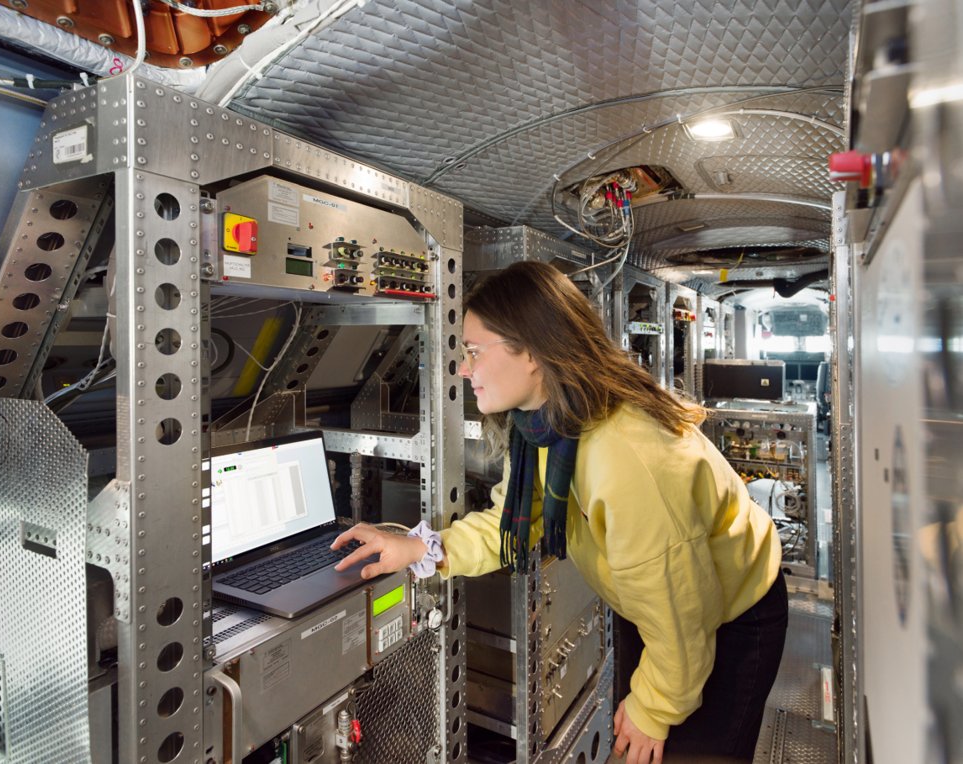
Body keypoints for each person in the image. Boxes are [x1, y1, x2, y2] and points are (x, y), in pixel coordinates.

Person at [332, 260, 788, 764]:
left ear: (531, 352)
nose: (463, 368)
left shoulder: (626, 458)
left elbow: (681, 607)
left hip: (732, 613)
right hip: (662, 611)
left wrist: (655, 706)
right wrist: (420, 548)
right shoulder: (547, 425)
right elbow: (511, 521)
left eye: (474, 351)